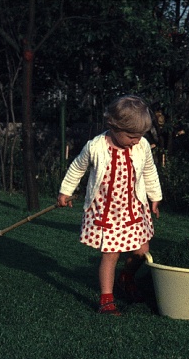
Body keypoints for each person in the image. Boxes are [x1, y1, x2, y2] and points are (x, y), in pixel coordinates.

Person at [57, 95, 163, 316]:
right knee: (111, 254)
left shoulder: (142, 146)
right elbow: (77, 167)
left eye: (140, 136)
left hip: (133, 209)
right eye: (131, 136)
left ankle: (126, 277)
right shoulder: (95, 147)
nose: (136, 141)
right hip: (107, 213)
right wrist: (65, 191)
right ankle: (106, 299)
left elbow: (149, 170)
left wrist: (155, 197)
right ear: (114, 127)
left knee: (142, 251)